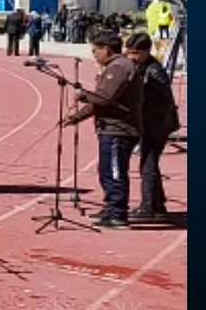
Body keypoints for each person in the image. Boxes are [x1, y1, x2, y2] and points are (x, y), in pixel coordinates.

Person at [62, 31, 144, 228]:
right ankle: (111, 209)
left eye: (95, 50)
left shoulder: (119, 68)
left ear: (106, 49)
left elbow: (104, 98)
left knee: (115, 172)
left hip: (119, 130)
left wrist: (83, 95)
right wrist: (76, 117)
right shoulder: (114, 67)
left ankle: (118, 213)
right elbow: (100, 101)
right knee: (105, 170)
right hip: (111, 128)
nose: (93, 54)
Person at [125, 33, 179, 221]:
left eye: (136, 53)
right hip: (150, 123)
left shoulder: (154, 72)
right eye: (129, 52)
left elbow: (162, 102)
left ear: (147, 51)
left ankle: (148, 206)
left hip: (158, 125)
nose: (131, 57)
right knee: (150, 163)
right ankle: (158, 203)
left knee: (147, 164)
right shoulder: (142, 67)